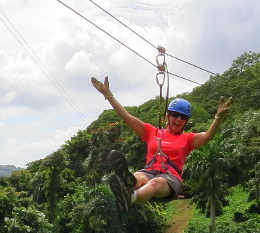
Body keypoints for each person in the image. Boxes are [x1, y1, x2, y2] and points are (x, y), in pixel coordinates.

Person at [91, 76, 232, 211]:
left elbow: (207, 136)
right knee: (138, 178)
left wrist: (218, 117)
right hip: (149, 170)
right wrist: (109, 95)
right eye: (175, 115)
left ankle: (130, 197)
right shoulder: (152, 132)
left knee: (154, 183)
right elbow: (126, 116)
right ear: (167, 116)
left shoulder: (188, 139)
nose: (178, 119)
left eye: (183, 117)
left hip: (170, 178)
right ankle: (129, 182)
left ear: (186, 121)